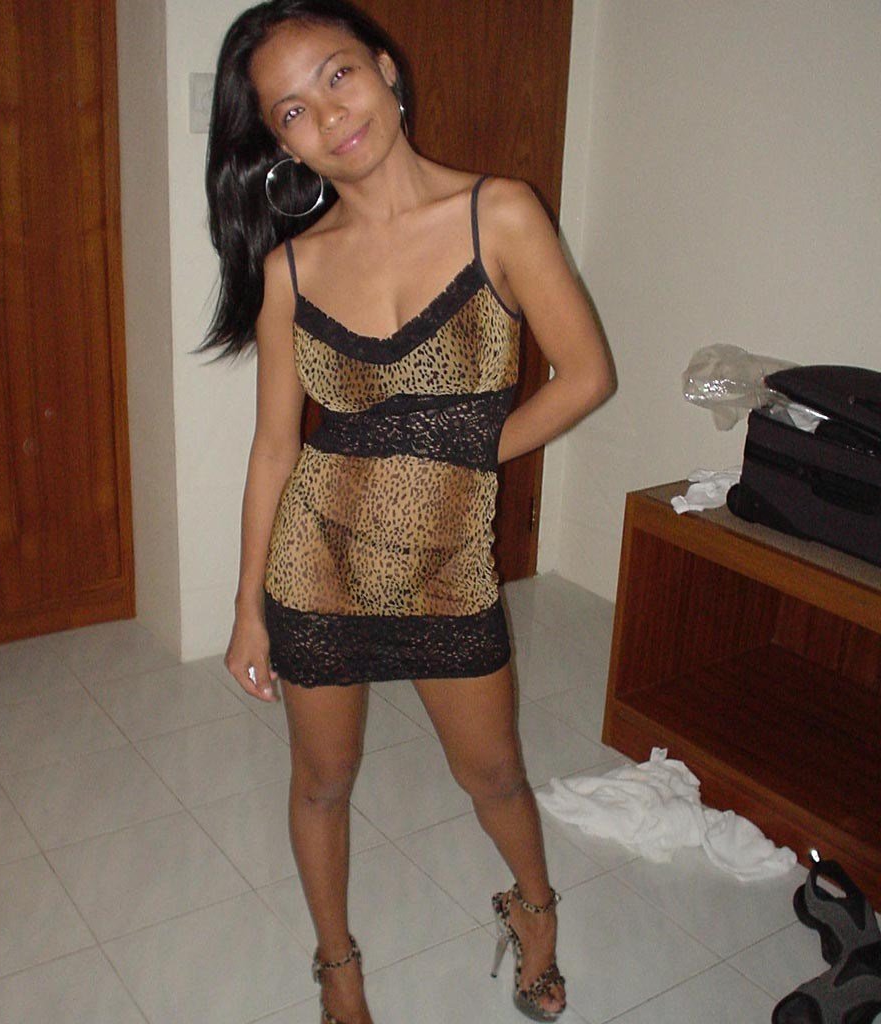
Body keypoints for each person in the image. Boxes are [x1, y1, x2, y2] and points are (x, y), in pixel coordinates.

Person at [204, 2, 612, 1021]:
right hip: (316, 562)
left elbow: (584, 375)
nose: (328, 115)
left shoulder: (498, 214)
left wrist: (461, 451)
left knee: (494, 776)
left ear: (386, 70)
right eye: (291, 111)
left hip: (446, 565)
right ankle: (337, 968)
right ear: (281, 144)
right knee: (321, 782)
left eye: (337, 76)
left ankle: (534, 909)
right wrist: (249, 606)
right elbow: (275, 447)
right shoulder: (290, 268)